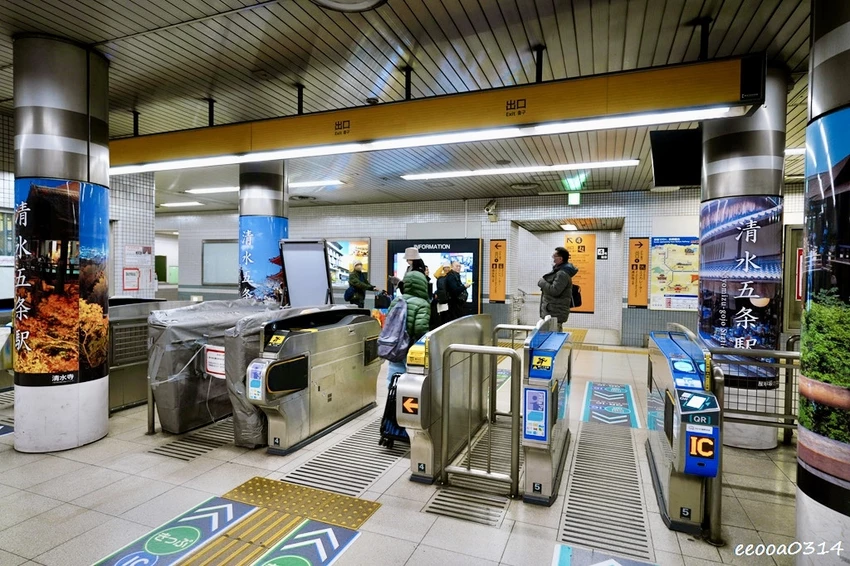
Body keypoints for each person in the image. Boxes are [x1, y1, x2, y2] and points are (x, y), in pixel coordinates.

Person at [385, 269, 432, 384]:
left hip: (394, 344)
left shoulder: (396, 300)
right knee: (412, 377)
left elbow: (388, 321)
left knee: (394, 373)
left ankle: (393, 397)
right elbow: (420, 328)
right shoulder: (422, 303)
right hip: (411, 346)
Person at [538, 247, 578, 328]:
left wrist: (542, 282)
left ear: (560, 259)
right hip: (553, 311)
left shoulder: (562, 274)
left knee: (552, 337)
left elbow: (555, 290)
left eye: (554, 256)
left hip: (555, 313)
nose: (552, 258)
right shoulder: (559, 271)